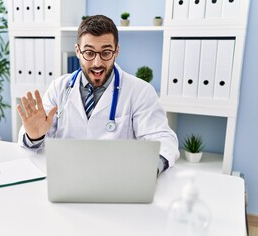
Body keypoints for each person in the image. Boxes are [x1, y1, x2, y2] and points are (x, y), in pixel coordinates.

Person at [16, 15, 179, 174]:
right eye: (89, 53)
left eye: (106, 53)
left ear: (117, 51)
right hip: (68, 176)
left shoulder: (140, 91)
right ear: (78, 51)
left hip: (118, 179)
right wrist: (35, 136)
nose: (97, 63)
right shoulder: (59, 87)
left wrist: (151, 168)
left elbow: (163, 139)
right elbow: (34, 143)